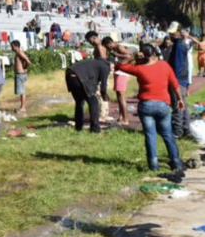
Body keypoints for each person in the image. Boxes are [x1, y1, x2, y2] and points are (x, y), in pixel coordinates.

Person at [116, 44, 184, 173]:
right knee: (168, 134)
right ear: (155, 53)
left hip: (146, 104)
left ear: (143, 55)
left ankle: (153, 165)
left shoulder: (139, 68)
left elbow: (120, 65)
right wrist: (180, 99)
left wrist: (133, 56)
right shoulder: (164, 65)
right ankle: (176, 162)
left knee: (150, 135)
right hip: (163, 104)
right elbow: (175, 83)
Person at [65, 57, 110, 134]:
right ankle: (95, 129)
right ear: (110, 64)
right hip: (79, 77)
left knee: (79, 102)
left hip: (69, 74)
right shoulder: (105, 67)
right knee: (94, 102)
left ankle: (78, 127)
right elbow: (103, 85)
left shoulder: (94, 63)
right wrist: (104, 94)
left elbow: (91, 80)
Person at [102, 37, 135, 125]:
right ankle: (121, 117)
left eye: (107, 46)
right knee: (118, 96)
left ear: (110, 43)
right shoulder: (117, 48)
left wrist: (117, 55)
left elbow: (130, 56)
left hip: (122, 73)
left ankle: (125, 119)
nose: (108, 49)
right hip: (119, 71)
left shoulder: (119, 47)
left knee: (121, 96)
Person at [11, 40, 31, 115]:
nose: (11, 48)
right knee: (22, 92)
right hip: (20, 74)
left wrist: (25, 67)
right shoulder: (18, 53)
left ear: (16, 46)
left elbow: (28, 61)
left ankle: (23, 108)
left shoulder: (19, 52)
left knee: (22, 92)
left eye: (12, 46)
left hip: (20, 74)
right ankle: (22, 107)